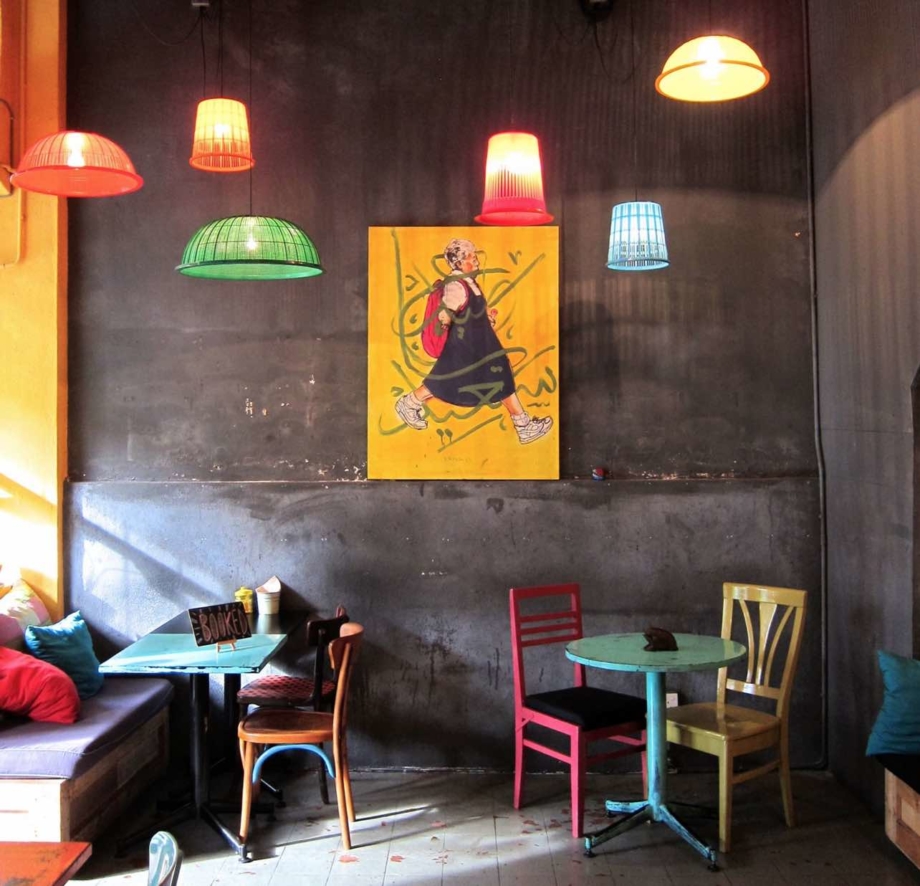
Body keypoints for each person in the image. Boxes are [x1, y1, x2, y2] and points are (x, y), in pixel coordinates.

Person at [394, 238, 553, 445]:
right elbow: (445, 314)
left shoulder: (469, 281)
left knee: (492, 376)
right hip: (466, 345)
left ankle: (523, 426)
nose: (476, 261)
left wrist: (484, 319)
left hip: (481, 343)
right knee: (449, 379)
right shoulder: (455, 284)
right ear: (459, 262)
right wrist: (454, 326)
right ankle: (523, 426)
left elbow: (470, 310)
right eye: (472, 257)